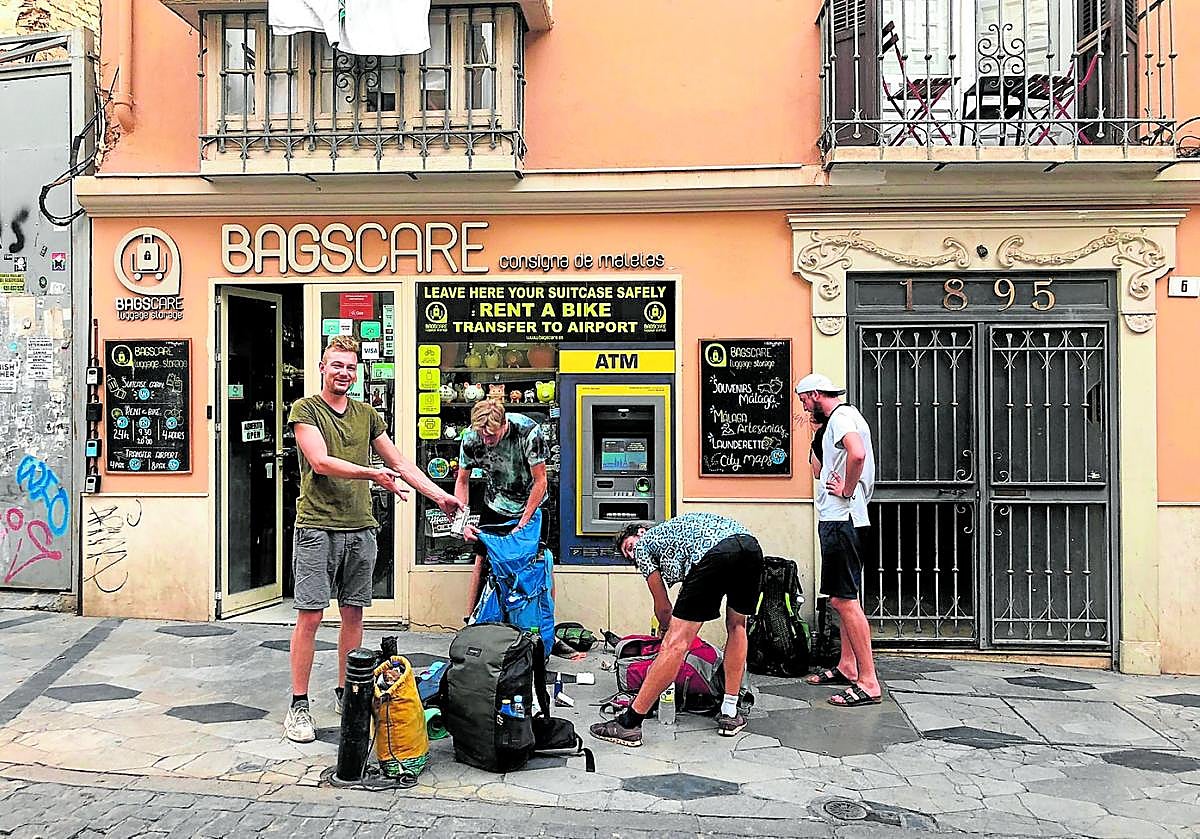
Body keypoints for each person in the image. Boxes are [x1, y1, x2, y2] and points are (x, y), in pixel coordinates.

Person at [284, 335, 462, 743]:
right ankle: (298, 705)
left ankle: (348, 693)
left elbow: (399, 462)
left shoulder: (367, 414)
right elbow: (320, 461)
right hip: (317, 526)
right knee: (310, 616)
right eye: (336, 364)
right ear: (322, 368)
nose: (343, 372)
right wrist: (371, 474)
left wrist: (440, 496)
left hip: (360, 527)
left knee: (353, 614)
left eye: (350, 366)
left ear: (357, 371)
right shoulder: (306, 409)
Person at [589, 513, 764, 747]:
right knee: (737, 626)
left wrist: (665, 632)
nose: (632, 554)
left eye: (629, 547)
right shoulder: (677, 532)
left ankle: (629, 724)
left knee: (676, 644)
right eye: (628, 554)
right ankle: (730, 712)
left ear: (641, 531)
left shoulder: (646, 545)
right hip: (750, 548)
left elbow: (663, 608)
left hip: (714, 555)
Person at [793, 372, 881, 707]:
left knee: (845, 601)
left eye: (804, 401)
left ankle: (868, 681)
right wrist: (816, 433)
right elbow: (816, 470)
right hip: (839, 519)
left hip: (842, 519)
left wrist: (846, 488)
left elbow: (856, 454)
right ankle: (847, 665)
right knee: (840, 598)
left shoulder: (844, 416)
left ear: (815, 394)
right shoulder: (832, 424)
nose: (803, 407)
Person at [456, 399, 548, 615]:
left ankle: (543, 623)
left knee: (538, 563)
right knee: (481, 559)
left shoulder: (528, 432)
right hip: (495, 503)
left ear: (504, 424)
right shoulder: (471, 438)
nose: (487, 440)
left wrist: (523, 523)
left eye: (492, 435)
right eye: (483, 435)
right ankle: (470, 620)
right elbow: (462, 480)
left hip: (532, 505)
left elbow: (541, 480)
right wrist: (461, 523)